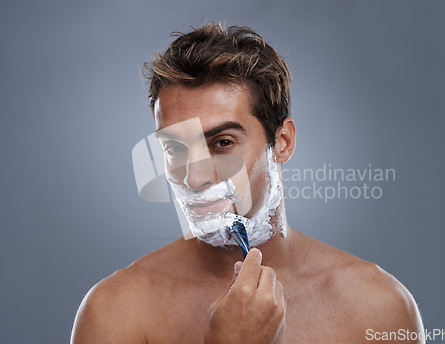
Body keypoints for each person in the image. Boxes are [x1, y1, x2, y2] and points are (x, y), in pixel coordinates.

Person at [71, 22, 424, 344]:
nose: (194, 177)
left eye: (222, 142)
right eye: (175, 149)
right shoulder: (116, 310)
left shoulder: (378, 308)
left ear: (282, 142)